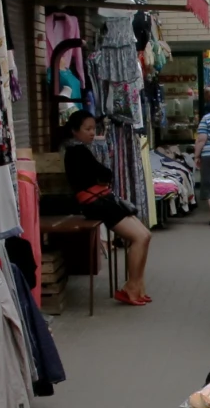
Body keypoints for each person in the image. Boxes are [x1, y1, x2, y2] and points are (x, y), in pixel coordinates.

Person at [60, 110, 154, 305]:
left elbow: (103, 174)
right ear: (74, 131)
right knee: (141, 237)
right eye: (87, 129)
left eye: (94, 128)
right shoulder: (77, 151)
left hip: (101, 200)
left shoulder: (79, 150)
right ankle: (132, 287)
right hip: (96, 203)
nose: (92, 133)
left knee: (144, 236)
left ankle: (136, 285)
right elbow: (104, 173)